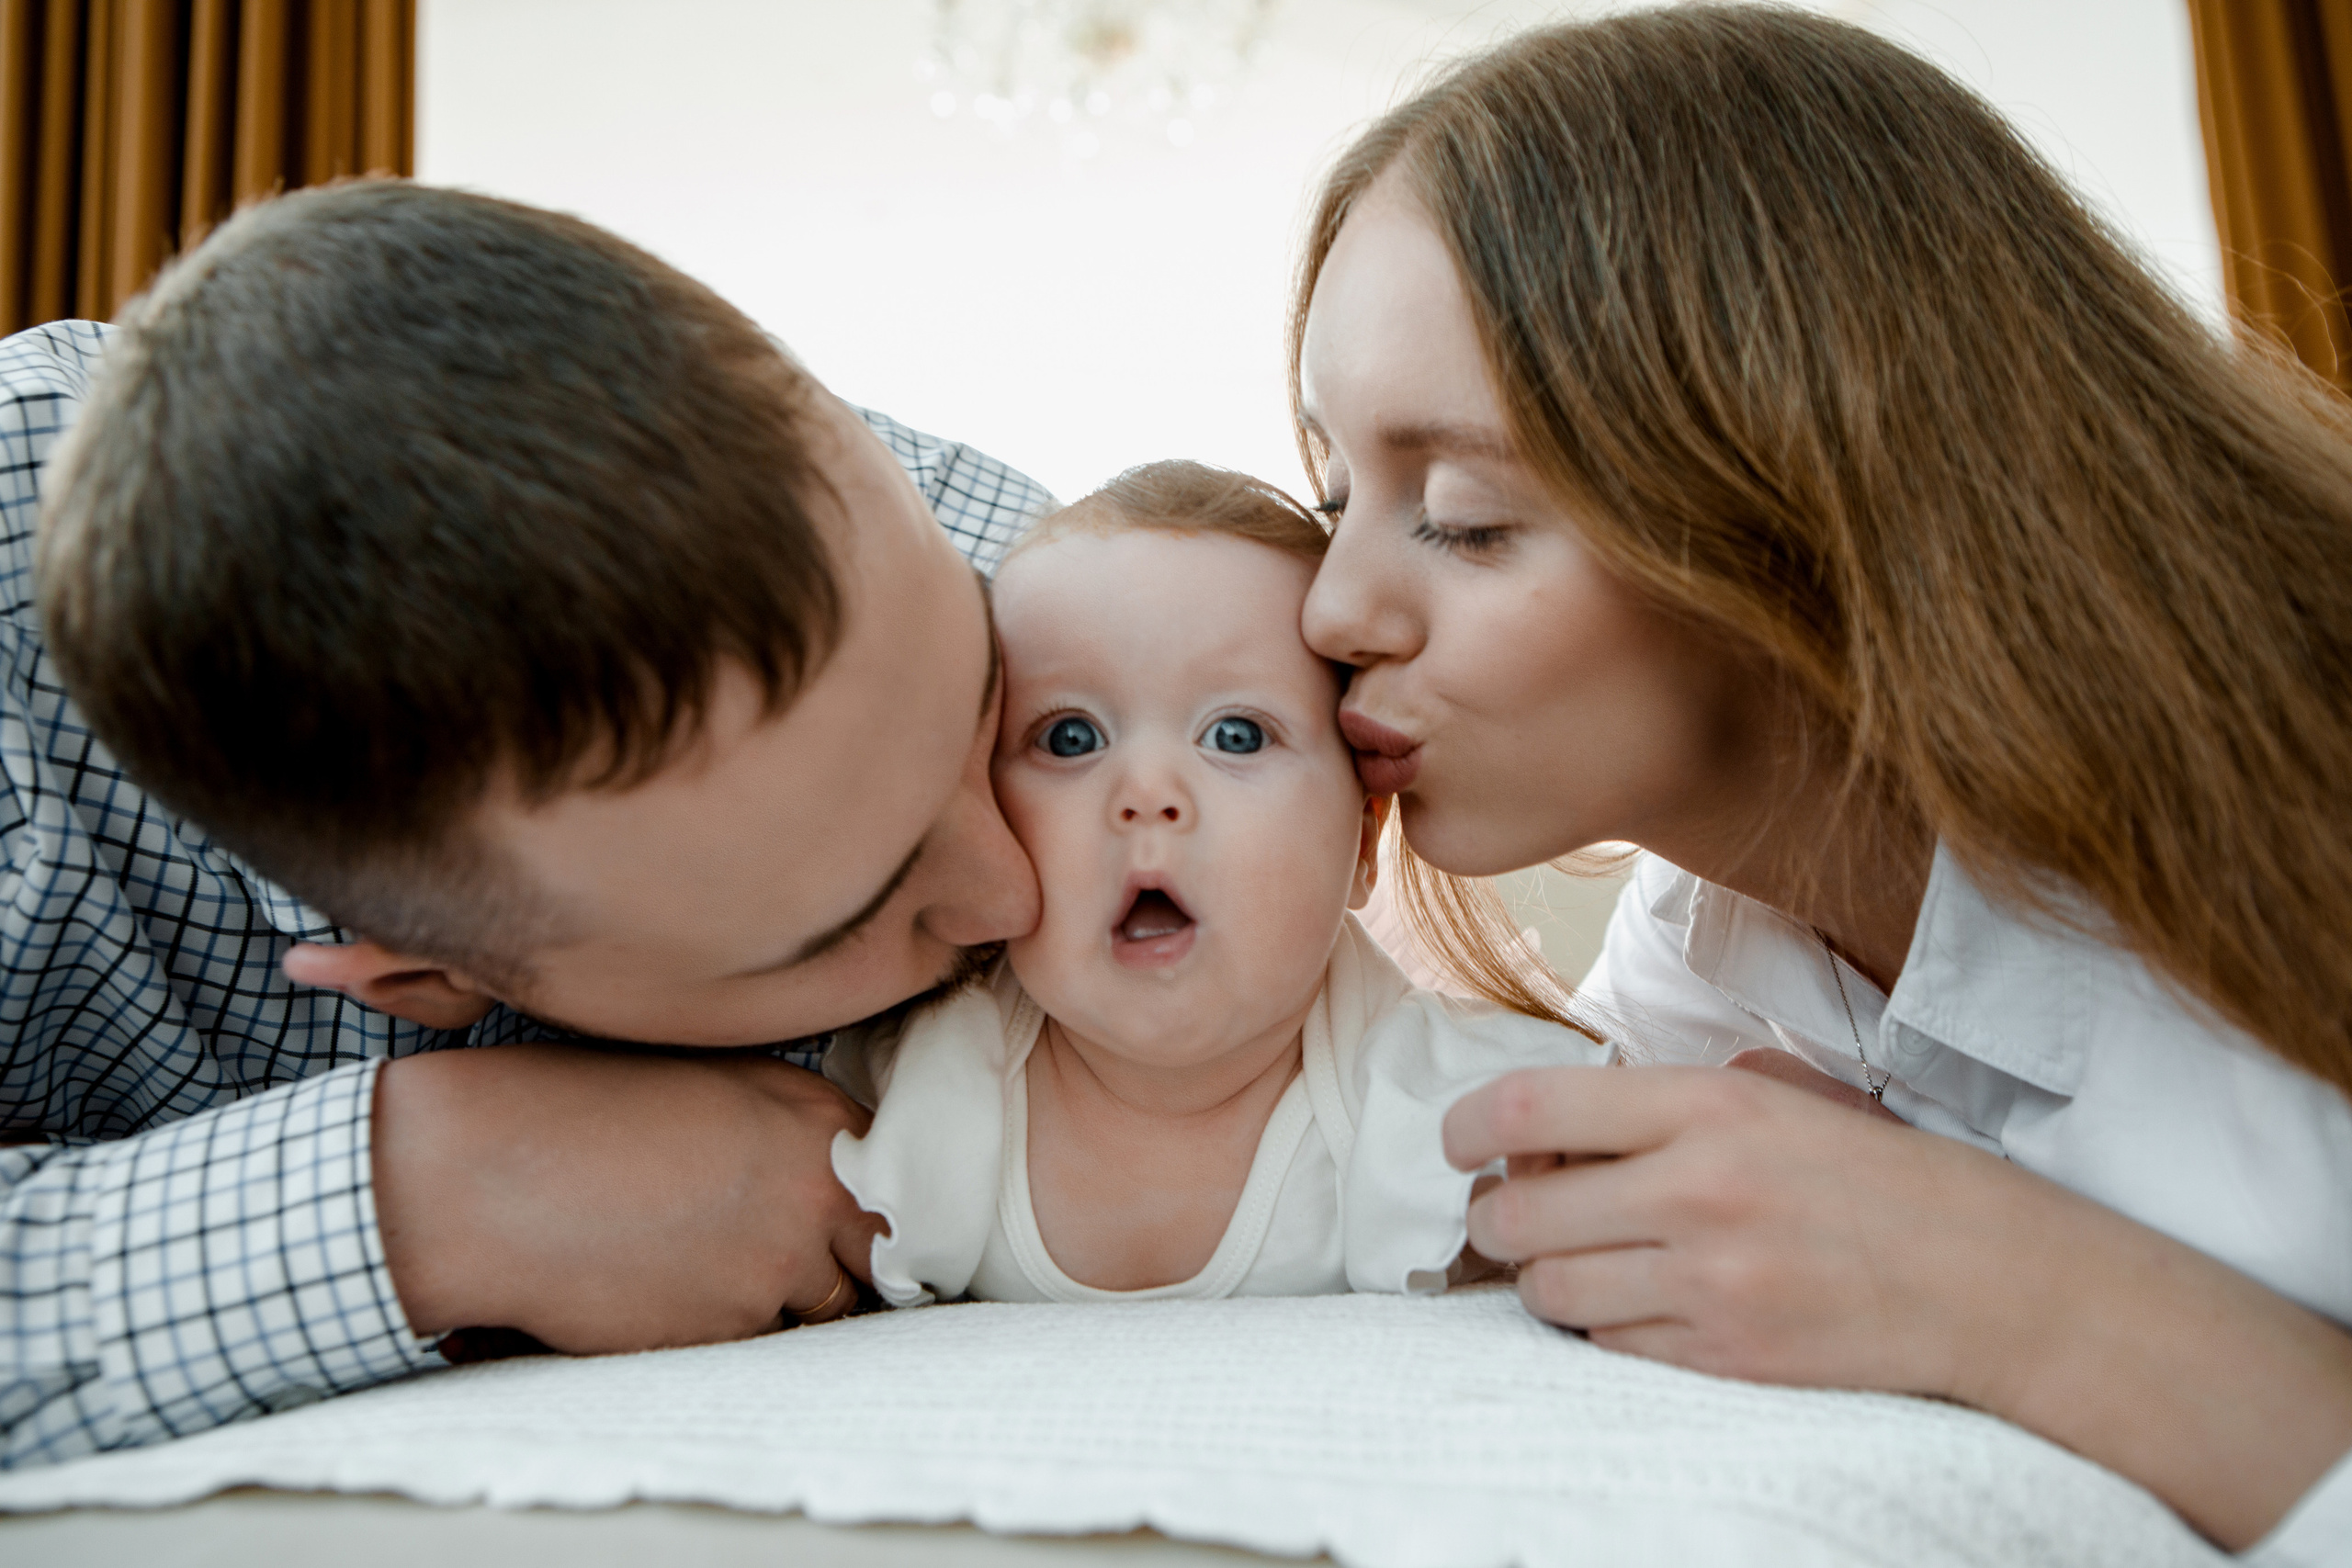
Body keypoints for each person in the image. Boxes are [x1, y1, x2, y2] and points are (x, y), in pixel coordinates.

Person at [1288, 6, 2352, 1562]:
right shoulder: (1705, 959)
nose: (1330, 610)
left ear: (1796, 475)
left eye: (1461, 513)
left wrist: (2011, 1294)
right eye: (1331, 494)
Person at [0, 180, 1051, 1464]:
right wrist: (431, 1193)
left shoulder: (920, 526)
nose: (1014, 892)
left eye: (985, 694)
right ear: (425, 975)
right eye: (859, 911)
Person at [827, 463, 1611, 1305]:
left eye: (1235, 735)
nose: (1148, 794)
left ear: (1361, 848)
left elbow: (1622, 1163)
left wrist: (1558, 1200)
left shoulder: (1440, 1102)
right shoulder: (922, 1080)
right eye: (1069, 738)